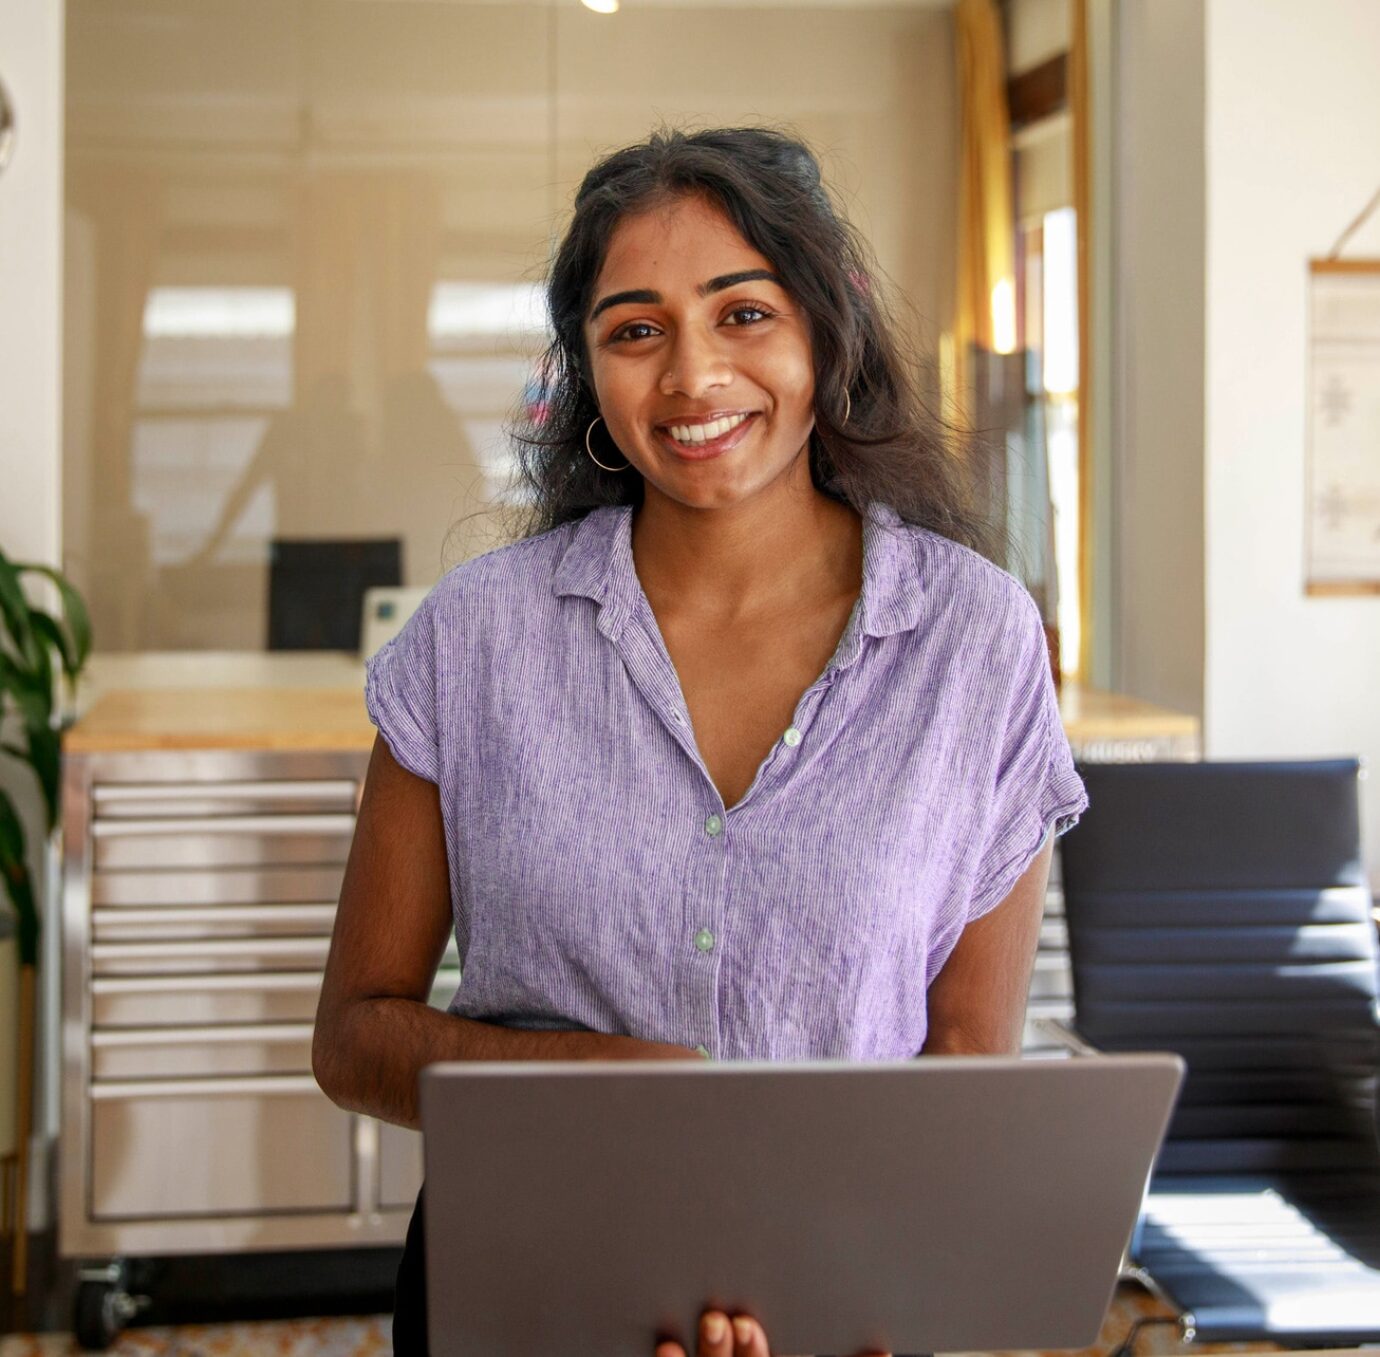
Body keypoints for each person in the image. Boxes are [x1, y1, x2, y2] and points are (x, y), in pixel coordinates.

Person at [312, 126, 1089, 1357]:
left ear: (826, 329)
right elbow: (355, 1035)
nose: (691, 376)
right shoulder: (476, 640)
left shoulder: (977, 643)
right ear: (588, 379)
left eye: (742, 312)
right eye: (636, 329)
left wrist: (859, 1291)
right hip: (523, 1291)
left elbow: (961, 1070)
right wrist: (614, 1089)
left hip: (840, 1304)